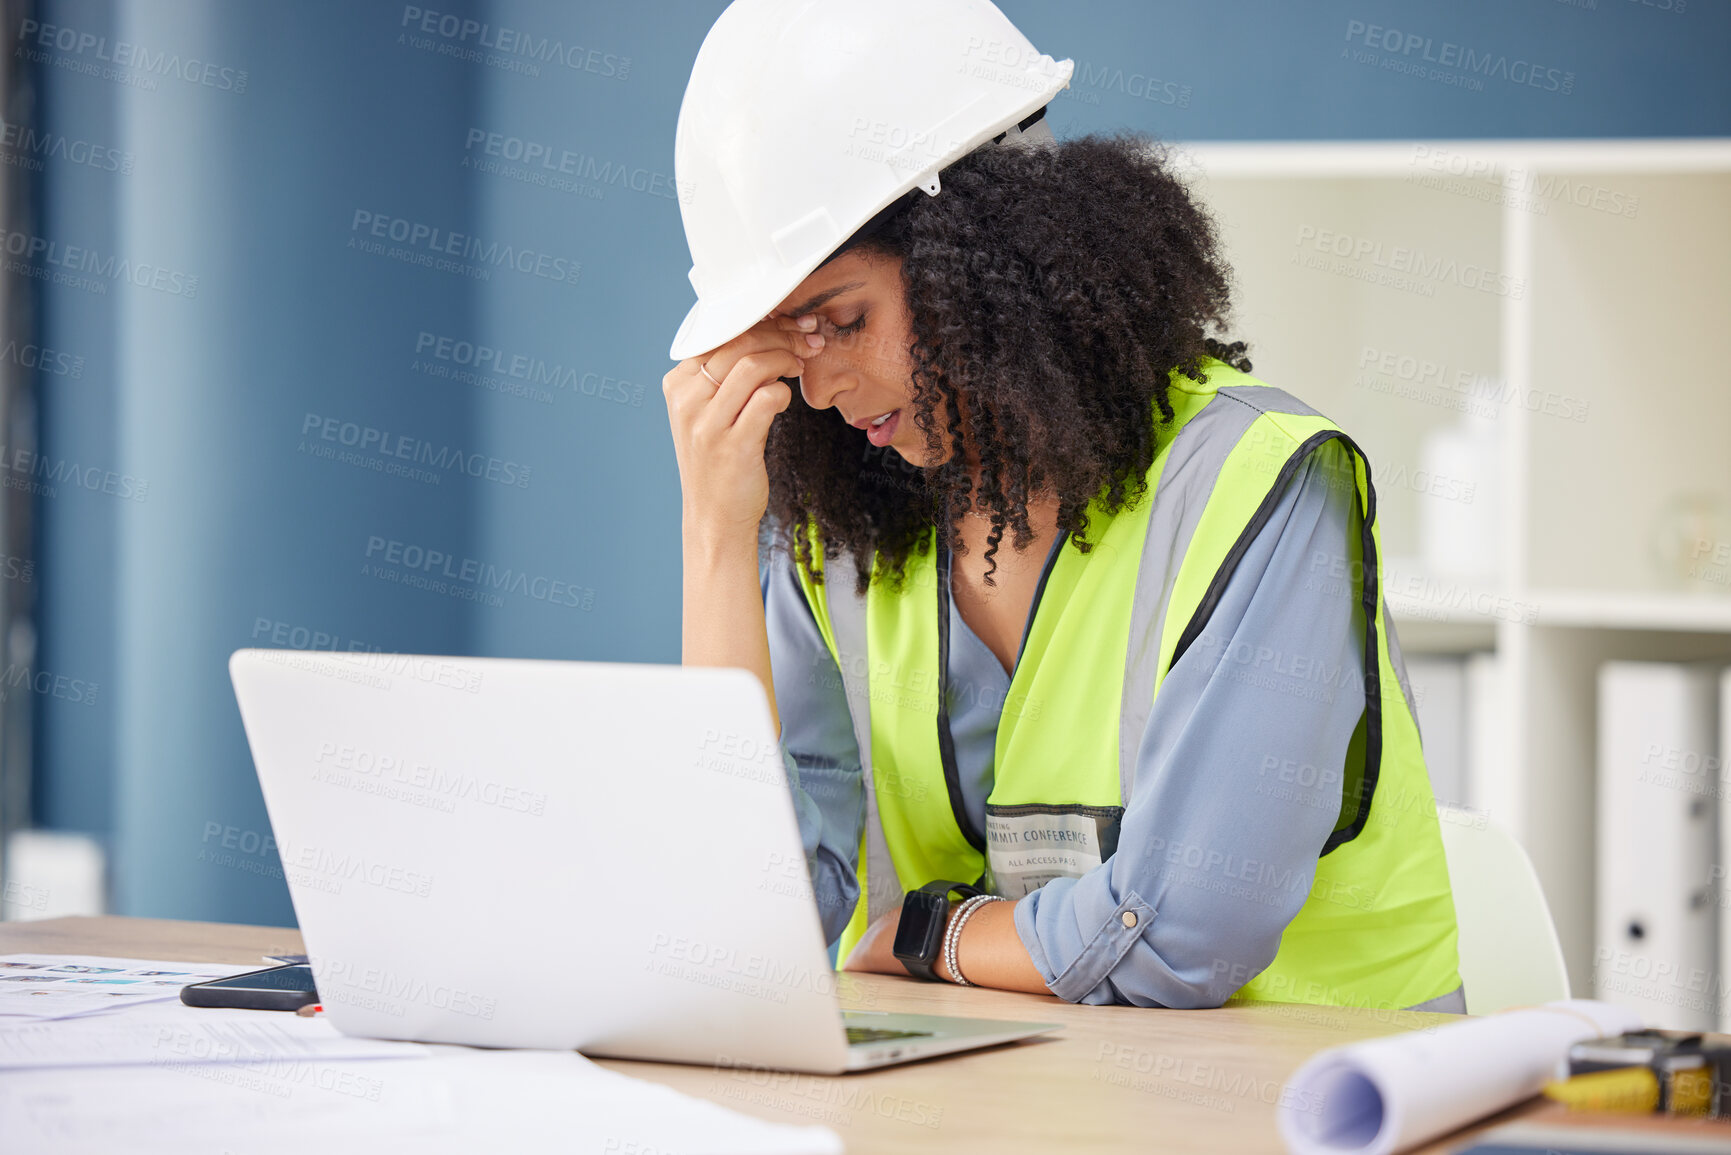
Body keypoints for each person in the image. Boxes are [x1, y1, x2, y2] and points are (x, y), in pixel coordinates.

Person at [662, 0, 1462, 1012]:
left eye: (843, 320)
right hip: (1024, 1104)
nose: (816, 390)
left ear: (985, 254)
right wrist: (718, 540)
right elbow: (738, 927)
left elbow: (1181, 938)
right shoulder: (840, 527)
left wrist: (930, 929)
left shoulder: (1260, 485)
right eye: (786, 339)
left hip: (1321, 1107)